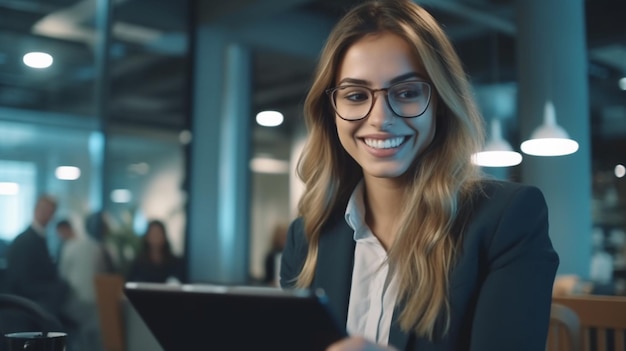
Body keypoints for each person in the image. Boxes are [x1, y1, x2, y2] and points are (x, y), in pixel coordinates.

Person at [279, 1, 559, 350]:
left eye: (408, 93)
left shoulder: (507, 219)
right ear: (331, 112)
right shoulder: (307, 238)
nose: (380, 118)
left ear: (440, 102)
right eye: (355, 95)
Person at [5, 195, 70, 324]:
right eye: (44, 210)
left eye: (50, 212)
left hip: (32, 298)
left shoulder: (38, 237)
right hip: (27, 303)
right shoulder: (26, 240)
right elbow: (22, 282)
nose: (47, 215)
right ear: (35, 210)